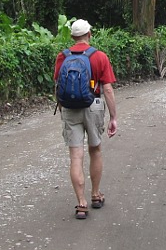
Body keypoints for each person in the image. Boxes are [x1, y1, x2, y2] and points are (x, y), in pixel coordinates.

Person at [54, 19, 118, 220]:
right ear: (89, 34)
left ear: (72, 37)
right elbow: (107, 88)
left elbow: (57, 84)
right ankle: (96, 195)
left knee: (76, 156)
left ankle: (81, 203)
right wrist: (113, 117)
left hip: (70, 109)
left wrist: (64, 107)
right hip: (94, 106)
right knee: (95, 150)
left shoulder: (62, 57)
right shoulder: (99, 57)